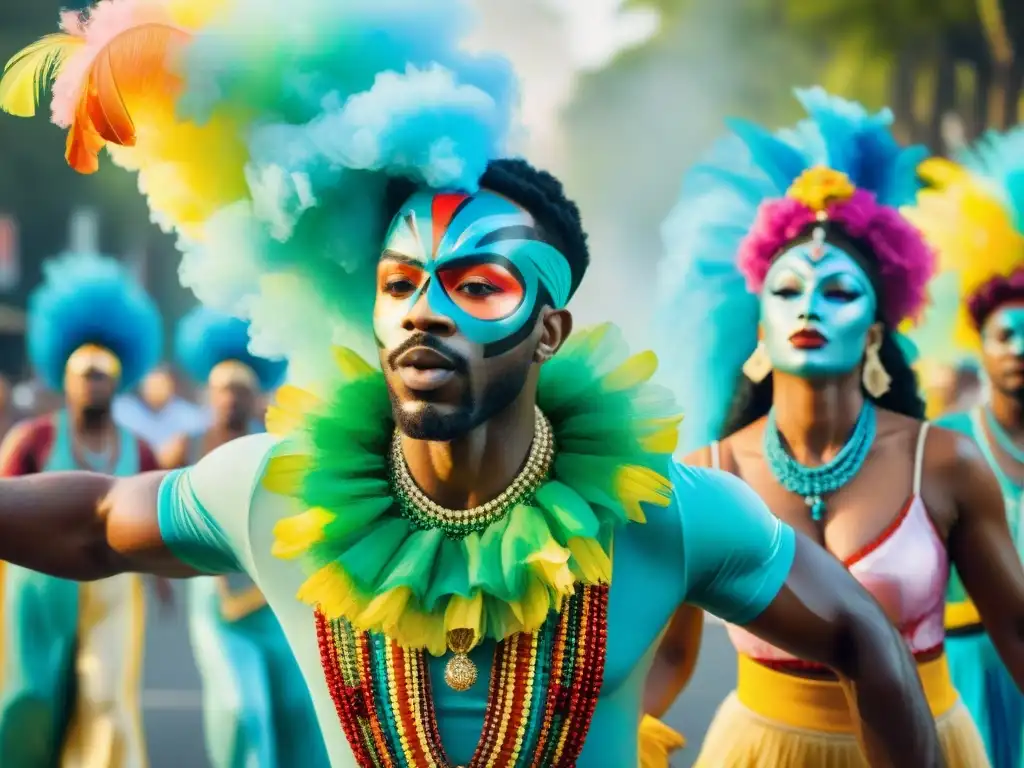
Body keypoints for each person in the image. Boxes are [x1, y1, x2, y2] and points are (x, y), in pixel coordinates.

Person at [0, 2, 944, 765]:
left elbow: (864, 636)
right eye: (401, 284)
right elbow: (93, 522)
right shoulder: (271, 492)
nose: (425, 312)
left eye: (476, 284)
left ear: (550, 329)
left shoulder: (664, 510)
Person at [646, 88, 1024, 766]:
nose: (809, 307)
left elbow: (1018, 635)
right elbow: (669, 652)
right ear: (760, 326)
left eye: (839, 291)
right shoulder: (706, 471)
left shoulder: (944, 464)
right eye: (787, 292)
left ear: (876, 331)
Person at [0, 252, 162, 767]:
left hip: (112, 591)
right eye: (84, 374)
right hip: (36, 589)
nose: (93, 383)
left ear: (119, 380)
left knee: (106, 702)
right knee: (29, 705)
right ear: (64, 379)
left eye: (103, 374)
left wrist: (163, 576)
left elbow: (161, 518)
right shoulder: (33, 439)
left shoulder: (140, 448)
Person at [905, 127, 1024, 767]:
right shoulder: (945, 443)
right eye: (1007, 333)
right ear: (979, 344)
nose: (1021, 349)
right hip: (965, 670)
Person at [162, 306, 326, 768]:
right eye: (221, 391)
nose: (230, 400)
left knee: (296, 710)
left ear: (256, 397)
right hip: (215, 601)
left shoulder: (279, 446)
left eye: (240, 391)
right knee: (240, 707)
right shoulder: (184, 447)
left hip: (274, 596)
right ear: (208, 395)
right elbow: (150, 519)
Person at [113, 366, 208, 453]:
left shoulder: (187, 414)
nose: (156, 389)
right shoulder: (123, 409)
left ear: (171, 387)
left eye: (161, 384)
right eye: (152, 384)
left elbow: (201, 427)